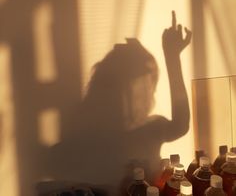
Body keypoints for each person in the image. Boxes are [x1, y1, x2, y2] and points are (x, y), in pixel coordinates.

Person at [48, 11, 192, 196]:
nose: (151, 92)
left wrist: (172, 57)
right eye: (148, 84)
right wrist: (172, 56)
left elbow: (181, 124)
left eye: (152, 84)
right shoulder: (94, 134)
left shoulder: (151, 127)